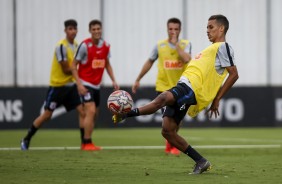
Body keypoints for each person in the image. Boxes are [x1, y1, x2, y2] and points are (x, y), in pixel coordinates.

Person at [113, 14, 239, 174]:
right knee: (167, 131)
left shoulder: (224, 47)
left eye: (211, 27)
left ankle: (126, 114)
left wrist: (217, 98)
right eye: (207, 27)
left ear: (222, 28)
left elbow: (234, 74)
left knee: (163, 98)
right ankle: (201, 161)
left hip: (190, 87)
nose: (207, 31)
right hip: (185, 85)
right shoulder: (210, 49)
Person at [20, 19, 85, 150]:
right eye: (70, 29)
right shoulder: (61, 46)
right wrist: (78, 75)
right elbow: (66, 69)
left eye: (74, 29)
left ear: (77, 30)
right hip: (58, 87)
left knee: (82, 112)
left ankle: (85, 143)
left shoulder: (77, 45)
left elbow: (77, 68)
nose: (72, 31)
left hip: (70, 87)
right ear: (65, 31)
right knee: (47, 115)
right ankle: (26, 139)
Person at [132, 17, 192, 156]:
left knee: (177, 120)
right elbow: (149, 62)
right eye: (171, 29)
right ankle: (170, 145)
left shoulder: (186, 44)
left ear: (180, 30)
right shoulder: (160, 45)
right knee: (168, 118)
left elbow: (187, 59)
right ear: (167, 29)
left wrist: (176, 45)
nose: (173, 32)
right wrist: (138, 79)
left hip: (180, 87)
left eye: (176, 29)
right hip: (164, 87)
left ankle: (171, 143)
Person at [71, 19, 119, 151]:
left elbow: (107, 64)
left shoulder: (106, 46)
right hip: (85, 84)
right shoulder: (84, 46)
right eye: (94, 29)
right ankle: (87, 143)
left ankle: (85, 142)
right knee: (90, 111)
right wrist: (79, 84)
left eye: (98, 29)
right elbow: (73, 65)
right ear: (90, 31)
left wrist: (113, 79)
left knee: (94, 115)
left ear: (101, 29)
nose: (96, 31)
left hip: (97, 85)